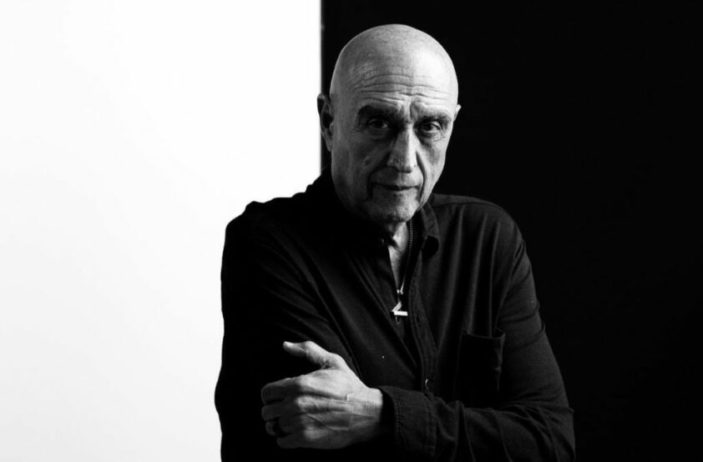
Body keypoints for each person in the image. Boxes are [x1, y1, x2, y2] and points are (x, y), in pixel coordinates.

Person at [215, 24, 575, 461]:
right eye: (378, 123)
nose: (404, 160)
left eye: (430, 127)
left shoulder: (487, 238)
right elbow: (322, 441)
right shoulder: (268, 244)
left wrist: (381, 415)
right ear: (329, 122)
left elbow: (550, 442)